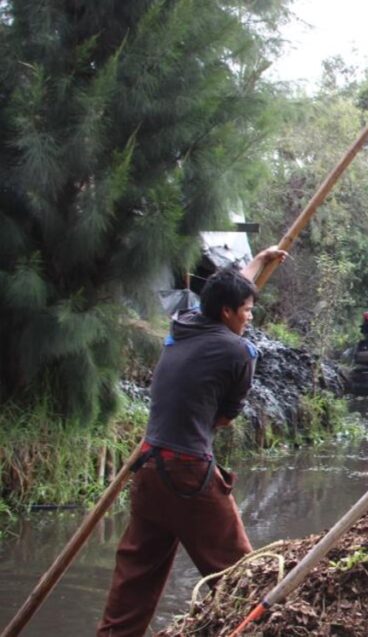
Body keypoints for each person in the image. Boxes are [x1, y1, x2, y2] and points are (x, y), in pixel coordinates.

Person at [97, 246, 287, 637]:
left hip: (148, 467)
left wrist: (258, 263)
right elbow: (226, 416)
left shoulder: (182, 324)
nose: (250, 319)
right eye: (247, 311)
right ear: (228, 313)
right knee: (241, 577)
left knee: (134, 584)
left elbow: (221, 295)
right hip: (188, 474)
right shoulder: (239, 352)